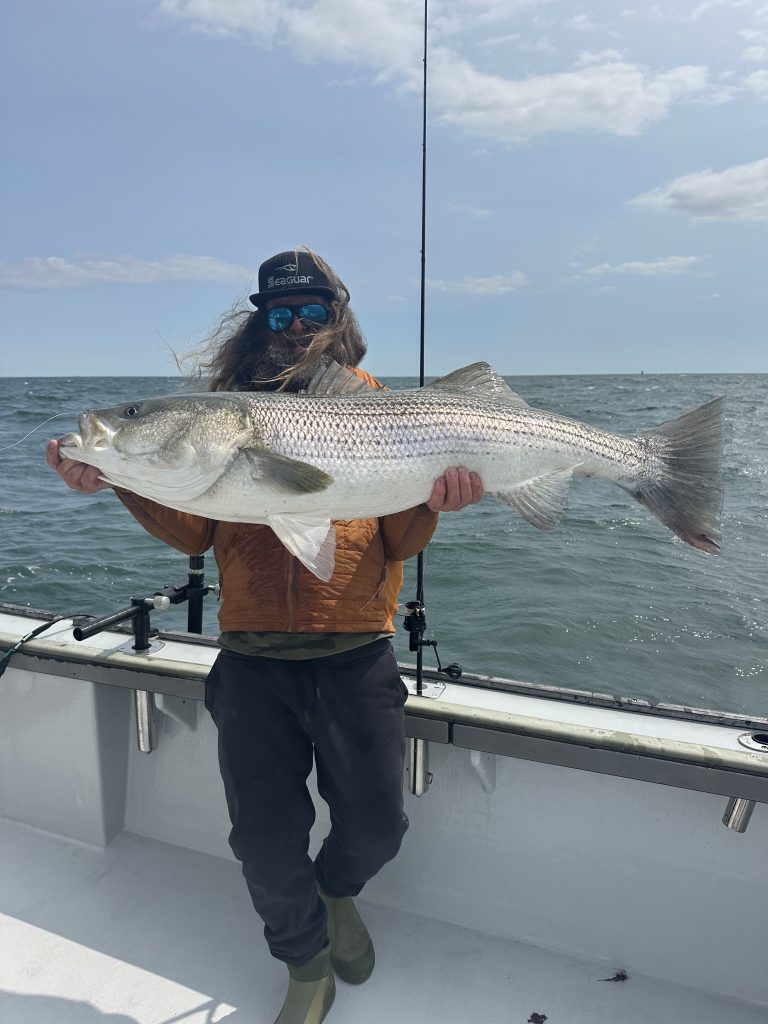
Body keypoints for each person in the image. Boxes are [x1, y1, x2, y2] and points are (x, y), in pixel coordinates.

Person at [47, 247, 482, 1024]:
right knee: (263, 843)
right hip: (250, 664)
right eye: (280, 312)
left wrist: (434, 502)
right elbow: (193, 531)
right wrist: (117, 475)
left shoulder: (384, 409)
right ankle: (305, 965)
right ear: (260, 323)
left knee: (378, 827)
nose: (296, 325)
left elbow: (398, 544)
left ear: (337, 317)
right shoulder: (223, 416)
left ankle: (337, 891)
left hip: (356, 656)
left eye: (313, 310)